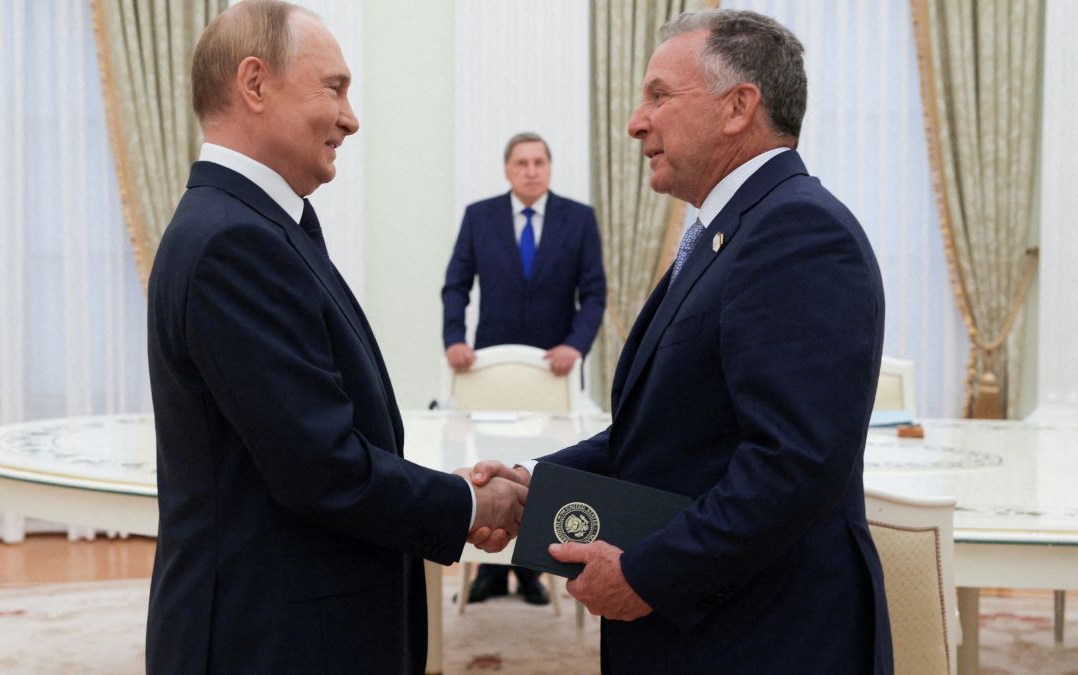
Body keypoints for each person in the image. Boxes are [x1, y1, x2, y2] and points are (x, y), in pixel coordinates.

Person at [472, 9, 894, 674]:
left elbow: (793, 463)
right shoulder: (728, 232)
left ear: (738, 107)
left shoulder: (800, 234)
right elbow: (663, 433)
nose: (637, 121)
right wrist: (537, 485)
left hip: (767, 638)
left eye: (659, 96)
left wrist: (647, 573)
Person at [145, 3, 525, 673]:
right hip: (270, 639)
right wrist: (465, 503)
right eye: (335, 87)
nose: (351, 118)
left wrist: (441, 489)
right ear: (255, 84)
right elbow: (319, 466)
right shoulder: (234, 241)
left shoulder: (259, 225)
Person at [441, 133, 607, 605]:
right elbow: (456, 285)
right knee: (492, 467)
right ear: (508, 170)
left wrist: (575, 346)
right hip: (489, 371)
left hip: (551, 374)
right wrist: (455, 338)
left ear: (549, 168)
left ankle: (532, 569)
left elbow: (593, 294)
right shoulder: (480, 216)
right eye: (522, 162)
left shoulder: (579, 219)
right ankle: (489, 573)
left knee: (541, 468)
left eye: (539, 162)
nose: (531, 170)